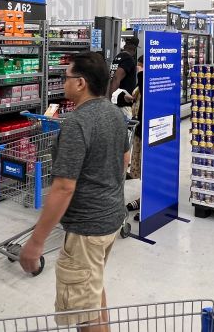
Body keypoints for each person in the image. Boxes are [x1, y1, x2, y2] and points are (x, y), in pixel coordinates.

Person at [19, 51, 130, 330]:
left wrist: (36, 242)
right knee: (93, 292)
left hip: (86, 230)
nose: (63, 82)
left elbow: (64, 187)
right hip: (111, 219)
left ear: (80, 83)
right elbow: (125, 159)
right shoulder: (114, 113)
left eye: (65, 76)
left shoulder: (77, 123)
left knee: (83, 315)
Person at [108, 37, 138, 101]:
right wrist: (112, 100)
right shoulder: (128, 59)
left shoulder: (118, 57)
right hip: (122, 101)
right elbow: (116, 78)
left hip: (117, 98)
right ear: (134, 49)